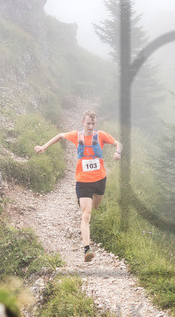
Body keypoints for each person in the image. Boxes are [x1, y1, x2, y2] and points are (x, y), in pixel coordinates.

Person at [35, 110, 122, 261]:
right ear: (83, 123)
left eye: (93, 124)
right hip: (83, 180)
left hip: (100, 179)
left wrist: (118, 152)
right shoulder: (77, 136)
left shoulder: (100, 135)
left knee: (96, 206)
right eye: (88, 123)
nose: (91, 126)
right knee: (86, 215)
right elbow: (61, 135)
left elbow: (118, 143)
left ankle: (86, 202)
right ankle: (87, 249)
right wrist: (44, 146)